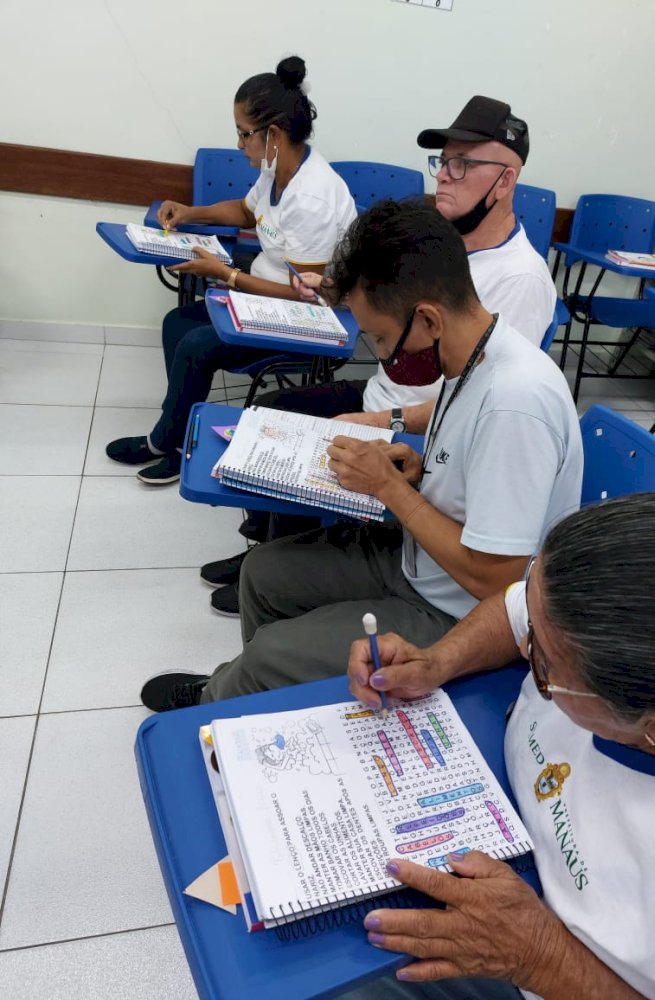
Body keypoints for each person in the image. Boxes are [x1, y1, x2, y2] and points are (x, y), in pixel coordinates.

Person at [140, 199, 581, 711]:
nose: (382, 353)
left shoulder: (517, 402)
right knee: (263, 572)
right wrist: (418, 463)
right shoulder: (480, 349)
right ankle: (260, 696)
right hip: (425, 558)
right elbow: (465, 443)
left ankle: (239, 688)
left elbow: (497, 578)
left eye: (381, 337)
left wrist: (389, 488)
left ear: (429, 320)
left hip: (458, 607)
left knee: (271, 654)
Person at [338, 492, 655, 1000]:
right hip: (487, 803)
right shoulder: (626, 633)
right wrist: (437, 661)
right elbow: (519, 612)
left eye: (546, 666)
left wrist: (541, 957)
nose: (527, 646)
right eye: (532, 636)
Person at [202, 95, 558, 615]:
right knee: (281, 413)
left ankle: (283, 570)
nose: (444, 177)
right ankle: (268, 553)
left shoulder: (520, 280)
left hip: (415, 422)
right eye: (442, 163)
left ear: (505, 181)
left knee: (320, 438)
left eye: (463, 165)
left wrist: (381, 420)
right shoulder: (443, 243)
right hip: (385, 395)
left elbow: (477, 405)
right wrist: (340, 289)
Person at [105, 55, 357, 485]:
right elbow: (244, 211)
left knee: (197, 346)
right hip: (262, 299)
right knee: (176, 323)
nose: (239, 144)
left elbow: (306, 295)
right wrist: (189, 211)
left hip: (304, 319)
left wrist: (228, 277)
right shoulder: (278, 171)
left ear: (273, 135)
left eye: (244, 134)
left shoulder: (312, 196)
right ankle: (177, 433)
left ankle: (168, 442)